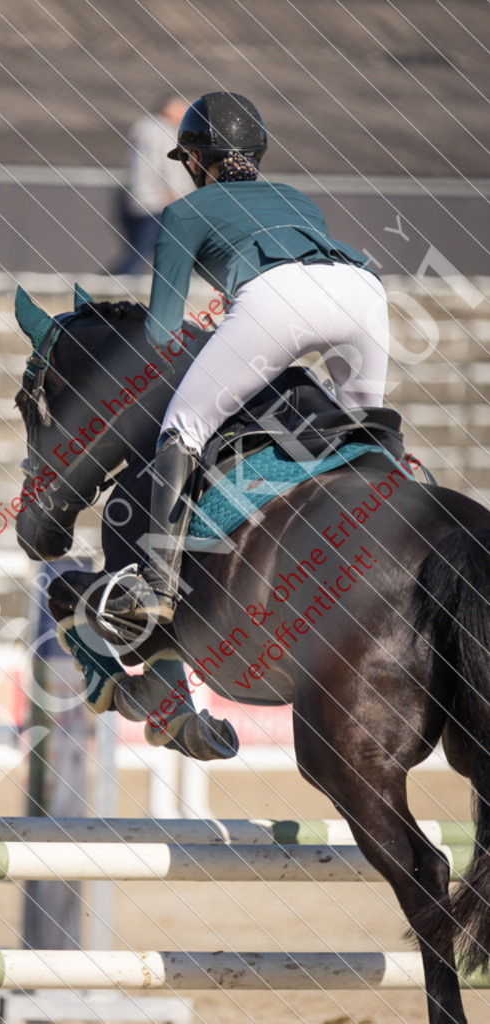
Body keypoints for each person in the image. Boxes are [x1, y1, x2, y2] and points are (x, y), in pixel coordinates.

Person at [104, 91, 390, 637]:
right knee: (367, 437)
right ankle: (410, 504)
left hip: (278, 301)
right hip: (364, 291)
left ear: (192, 161)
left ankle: (157, 586)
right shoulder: (298, 198)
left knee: (183, 426)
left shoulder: (183, 210)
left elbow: (163, 334)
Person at [111, 97, 190, 275]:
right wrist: (176, 193)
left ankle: (109, 285)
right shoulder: (164, 132)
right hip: (156, 201)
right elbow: (170, 165)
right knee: (140, 252)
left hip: (138, 198)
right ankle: (109, 286)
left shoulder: (145, 129)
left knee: (139, 250)